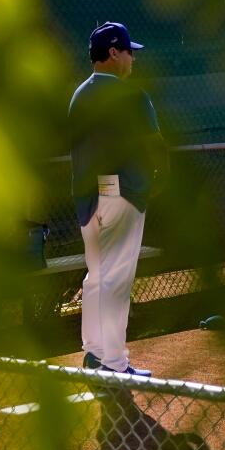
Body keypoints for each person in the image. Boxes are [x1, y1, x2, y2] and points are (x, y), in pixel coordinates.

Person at [68, 21, 166, 376]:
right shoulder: (132, 96)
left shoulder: (79, 94)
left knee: (96, 276)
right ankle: (114, 362)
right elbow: (155, 146)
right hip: (121, 195)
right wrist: (160, 180)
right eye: (128, 52)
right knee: (115, 281)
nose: (132, 59)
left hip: (87, 197)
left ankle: (94, 353)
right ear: (113, 52)